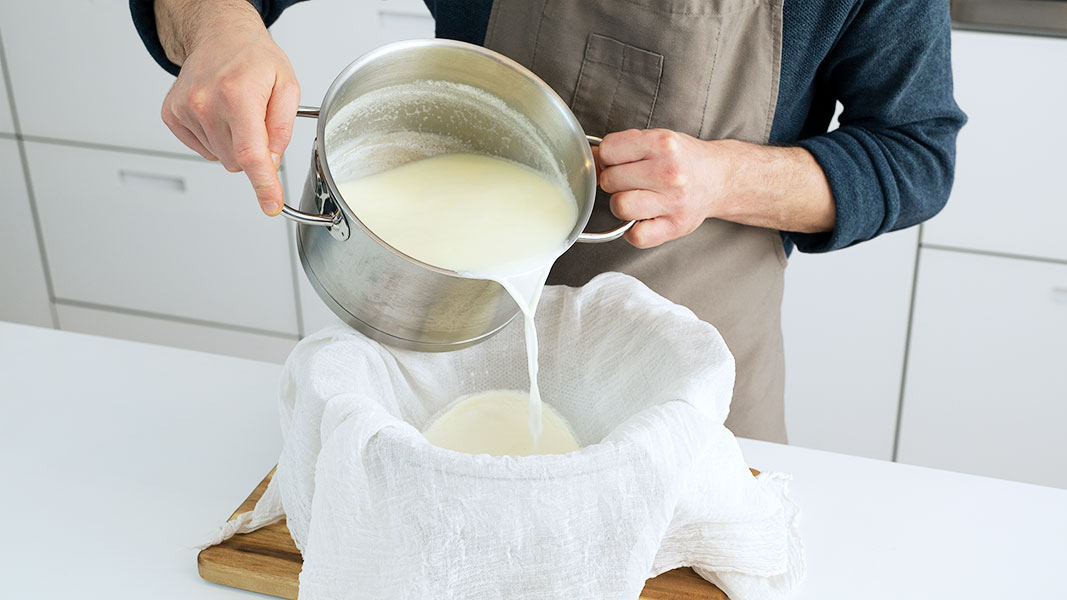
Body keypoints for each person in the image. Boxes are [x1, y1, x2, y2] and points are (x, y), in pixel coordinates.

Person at [130, 0, 966, 443]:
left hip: (699, 364)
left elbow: (916, 151)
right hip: (440, 328)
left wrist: (725, 176)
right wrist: (220, 28)